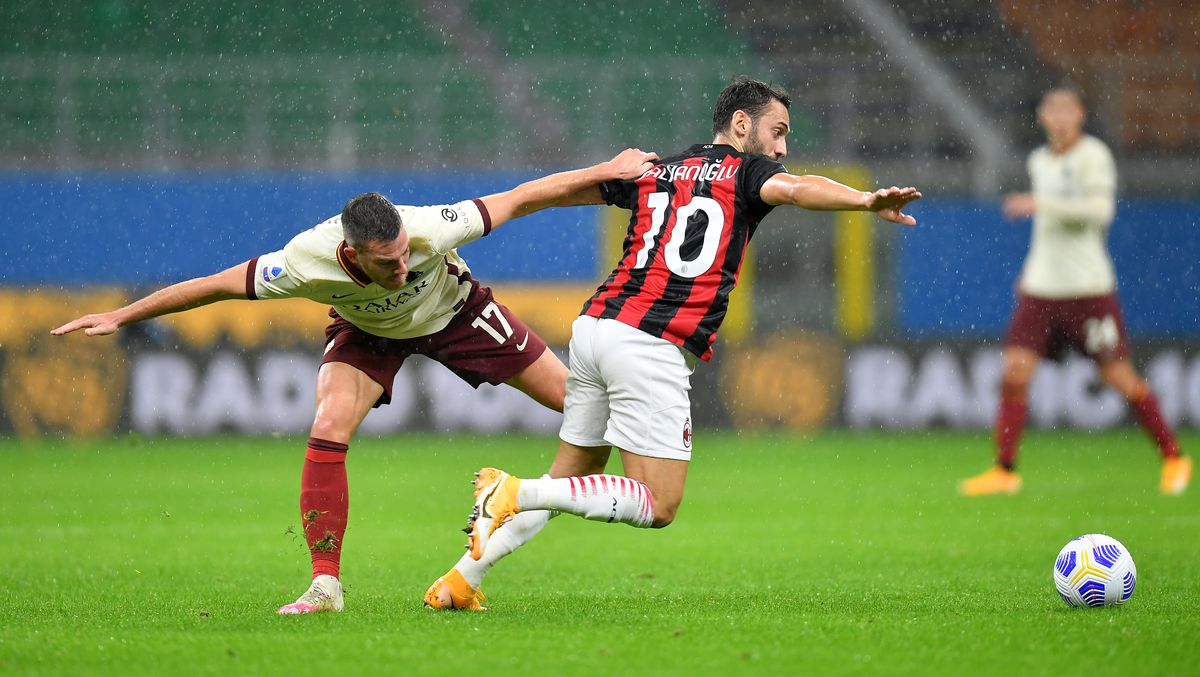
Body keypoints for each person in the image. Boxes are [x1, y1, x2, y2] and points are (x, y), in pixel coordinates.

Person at [49, 148, 660, 614]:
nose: (400, 266)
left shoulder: (432, 227)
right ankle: (324, 584)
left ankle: (485, 551)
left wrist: (609, 172)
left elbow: (526, 196)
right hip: (366, 331)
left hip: (458, 313)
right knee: (329, 424)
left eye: (404, 255)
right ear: (352, 253)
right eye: (386, 261)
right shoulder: (303, 260)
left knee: (584, 413)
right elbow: (210, 285)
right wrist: (121, 316)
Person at [423, 78, 921, 611]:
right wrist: (865, 200)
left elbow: (557, 193)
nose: (781, 149)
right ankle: (513, 492)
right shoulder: (750, 173)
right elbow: (799, 189)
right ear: (740, 124)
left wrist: (508, 203)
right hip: (648, 340)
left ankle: (460, 579)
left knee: (575, 471)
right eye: (777, 133)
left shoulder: (654, 170)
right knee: (658, 503)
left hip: (595, 327)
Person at [958, 85, 1191, 497]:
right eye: (1053, 110)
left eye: (1068, 110)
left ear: (1080, 114)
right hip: (1042, 288)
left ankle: (1174, 456)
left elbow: (1099, 213)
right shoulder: (1040, 160)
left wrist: (1042, 203)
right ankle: (1005, 470)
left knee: (1119, 377)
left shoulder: (1093, 157)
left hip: (1087, 289)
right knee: (1014, 372)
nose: (1060, 117)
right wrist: (1030, 270)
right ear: (1044, 117)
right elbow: (1047, 232)